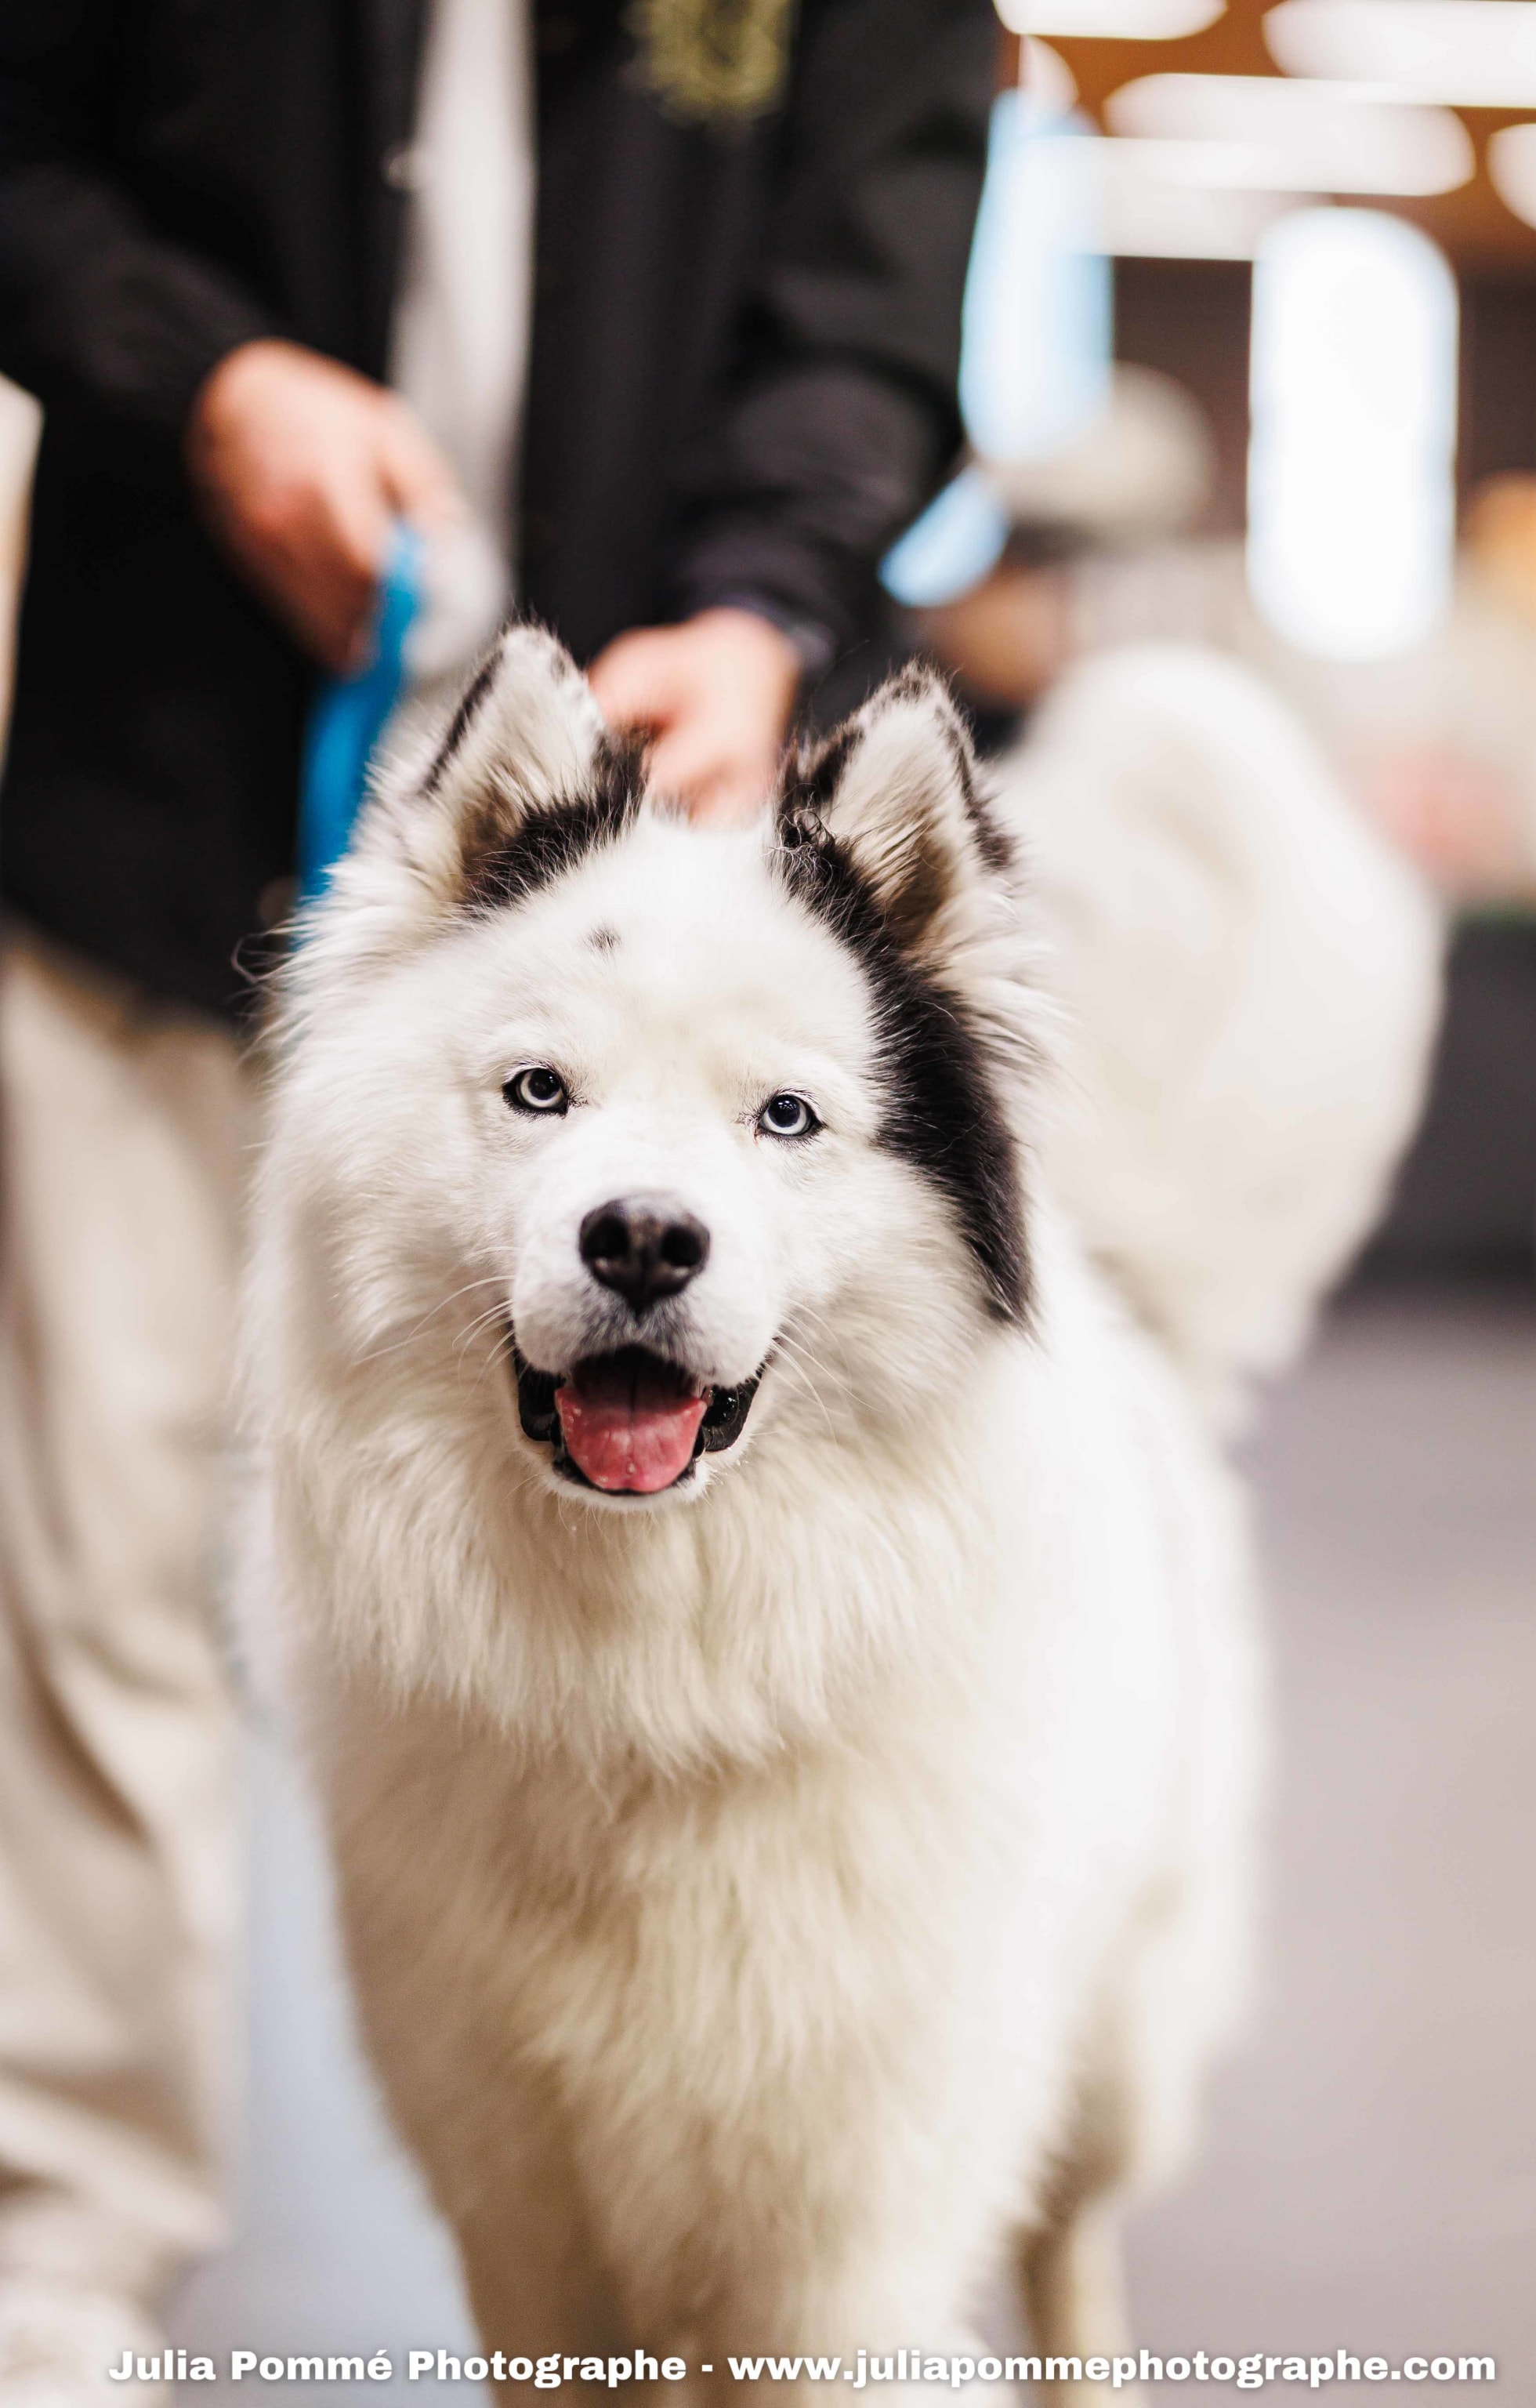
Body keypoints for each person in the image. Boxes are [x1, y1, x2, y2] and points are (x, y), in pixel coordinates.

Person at [0, 2, 995, 2393]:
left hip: (665, 864)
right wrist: (205, 366)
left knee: (660, 1576)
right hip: (161, 825)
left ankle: (722, 2227)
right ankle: (63, 2245)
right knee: (89, 1571)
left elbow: (872, 314)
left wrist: (764, 598)